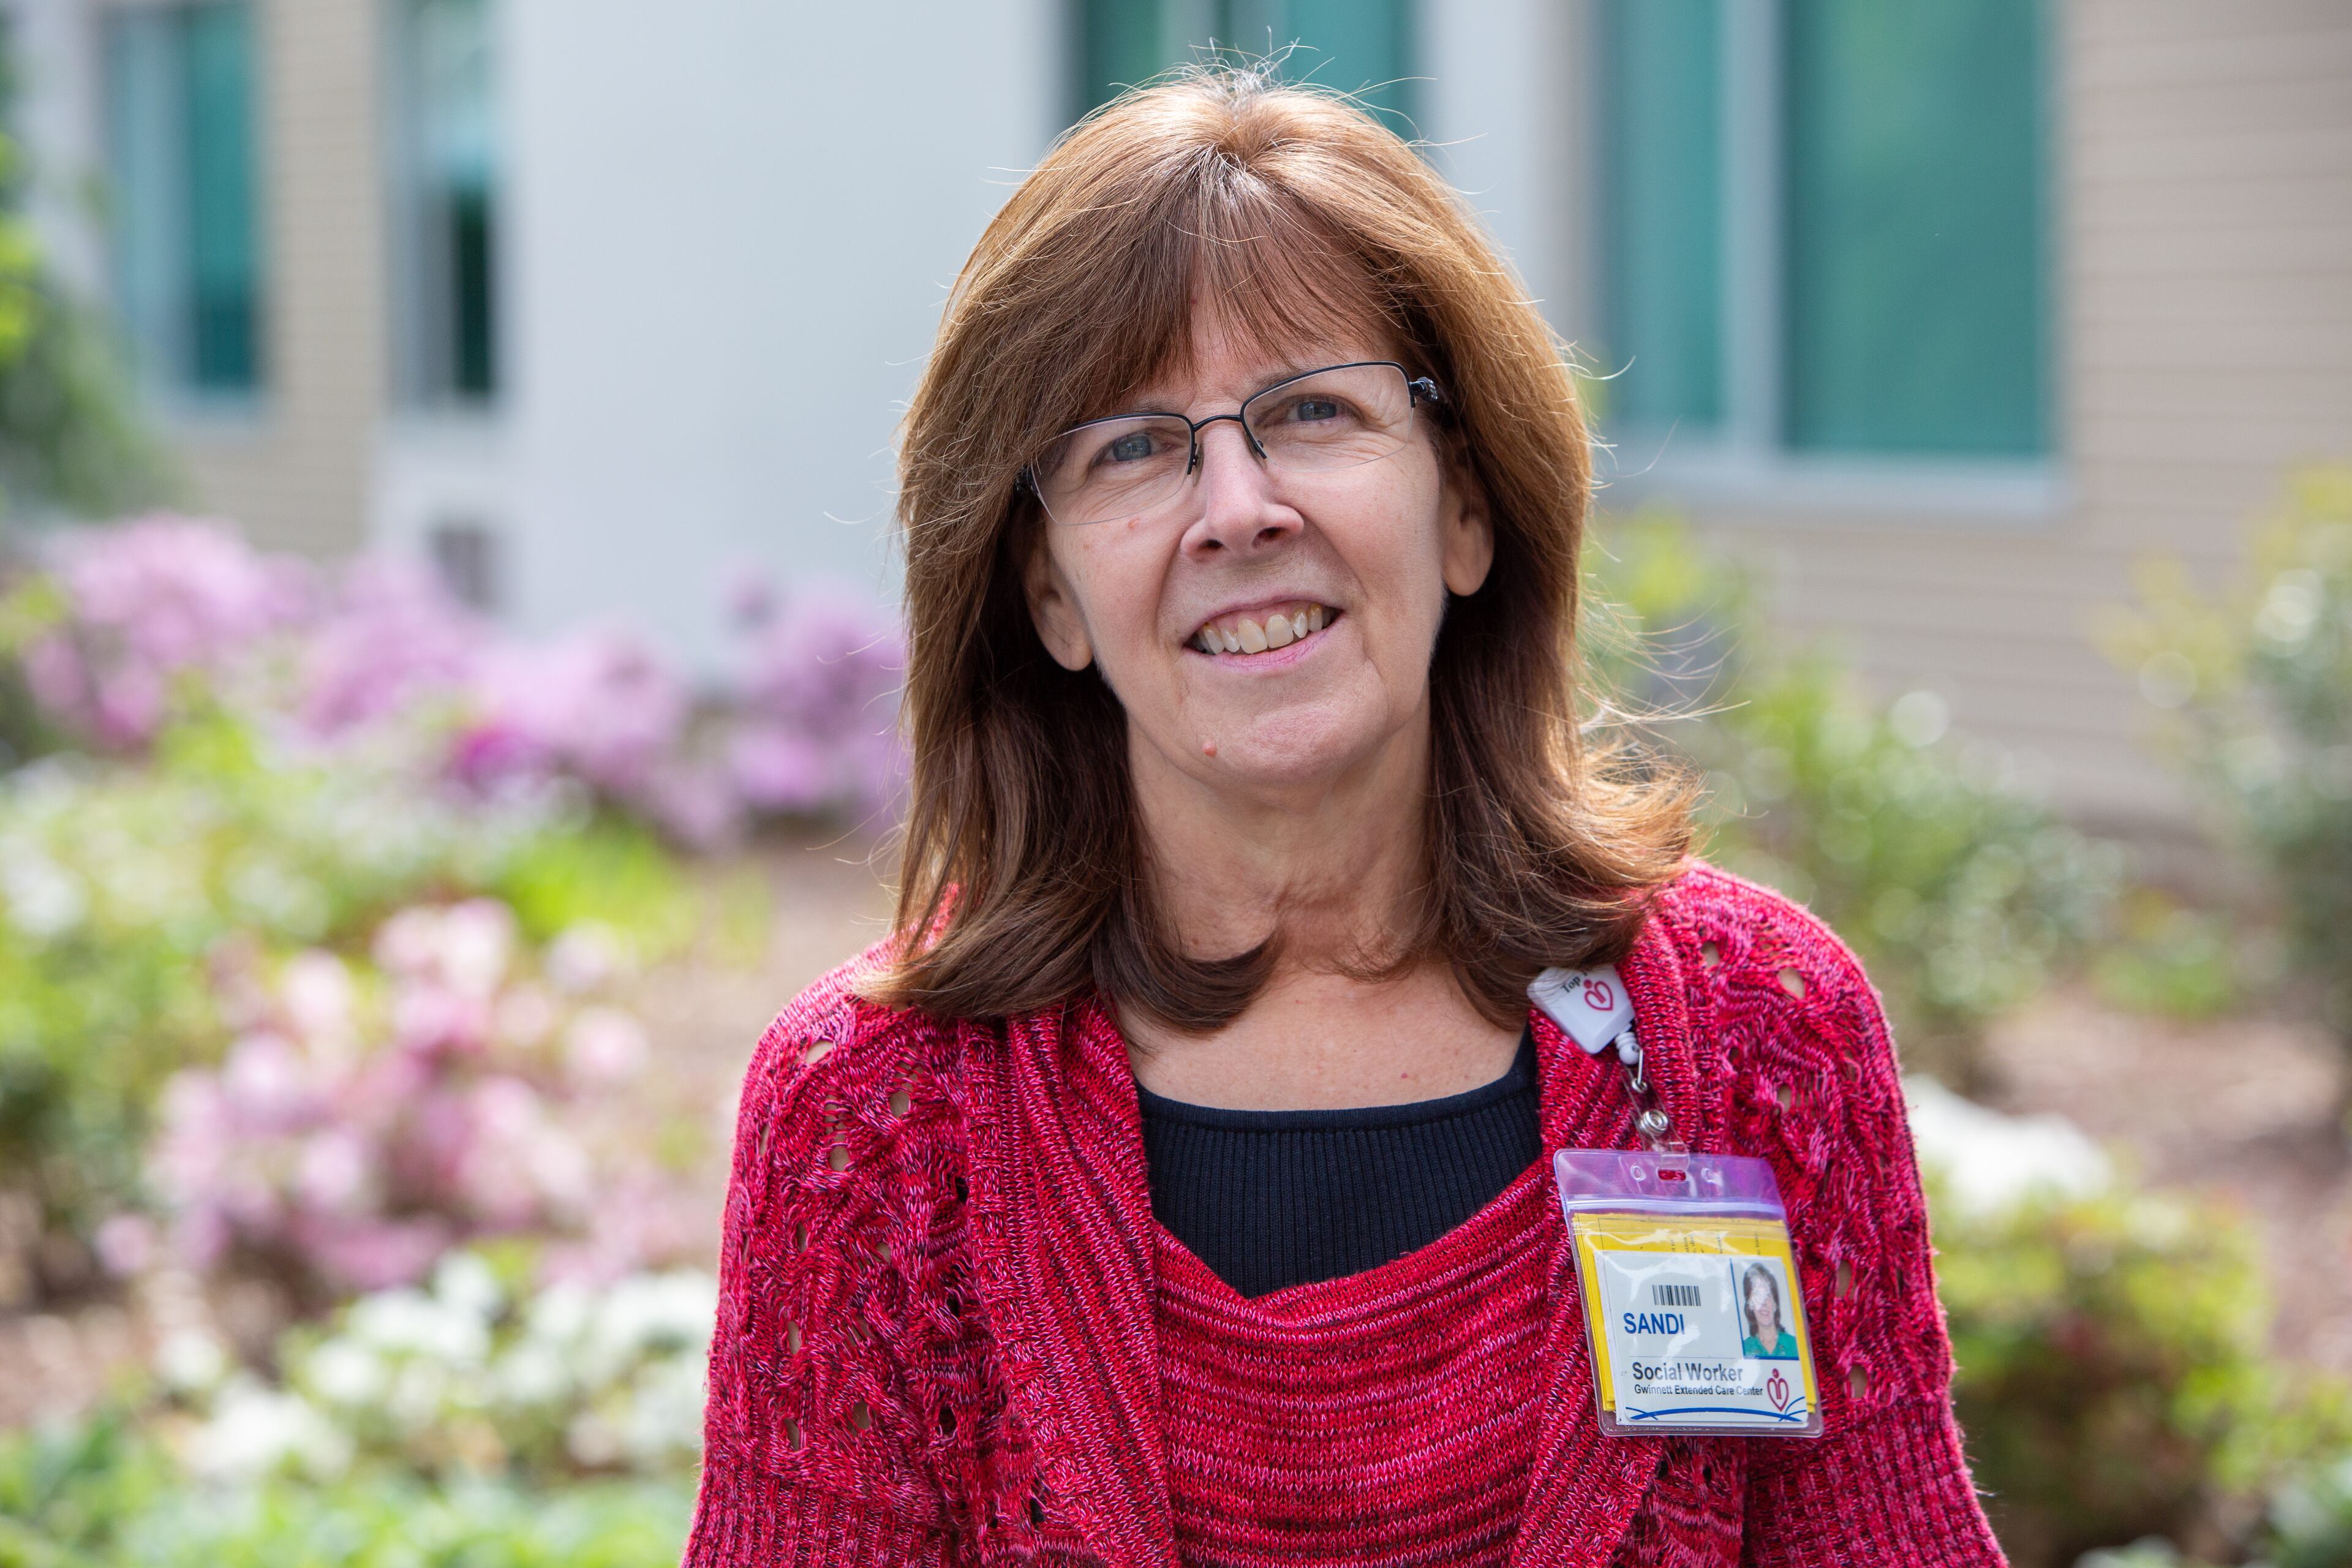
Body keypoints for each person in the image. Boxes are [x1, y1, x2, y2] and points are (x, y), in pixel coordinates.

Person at [685, 66, 2006, 1567]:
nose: (1237, 508)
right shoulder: (873, 1117)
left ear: (1466, 506)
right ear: (1047, 591)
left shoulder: (1763, 1037)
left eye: (1311, 409)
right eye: (1133, 447)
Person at [1742, 1262, 1803, 1361]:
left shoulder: (1796, 1345)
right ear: (1750, 1305)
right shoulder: (1744, 1349)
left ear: (1775, 1304)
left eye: (1768, 1295)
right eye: (1757, 1295)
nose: (1763, 1303)